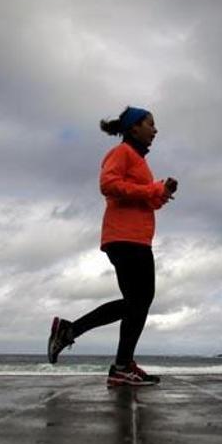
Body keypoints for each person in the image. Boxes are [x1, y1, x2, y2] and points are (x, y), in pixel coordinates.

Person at [47, 106, 178, 387]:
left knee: (138, 303)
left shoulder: (140, 162)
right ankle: (89, 343)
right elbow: (108, 184)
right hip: (125, 237)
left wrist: (161, 192)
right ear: (133, 128)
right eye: (150, 124)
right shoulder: (121, 153)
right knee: (138, 302)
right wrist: (151, 190)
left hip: (136, 238)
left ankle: (119, 362)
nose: (155, 130)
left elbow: (146, 200)